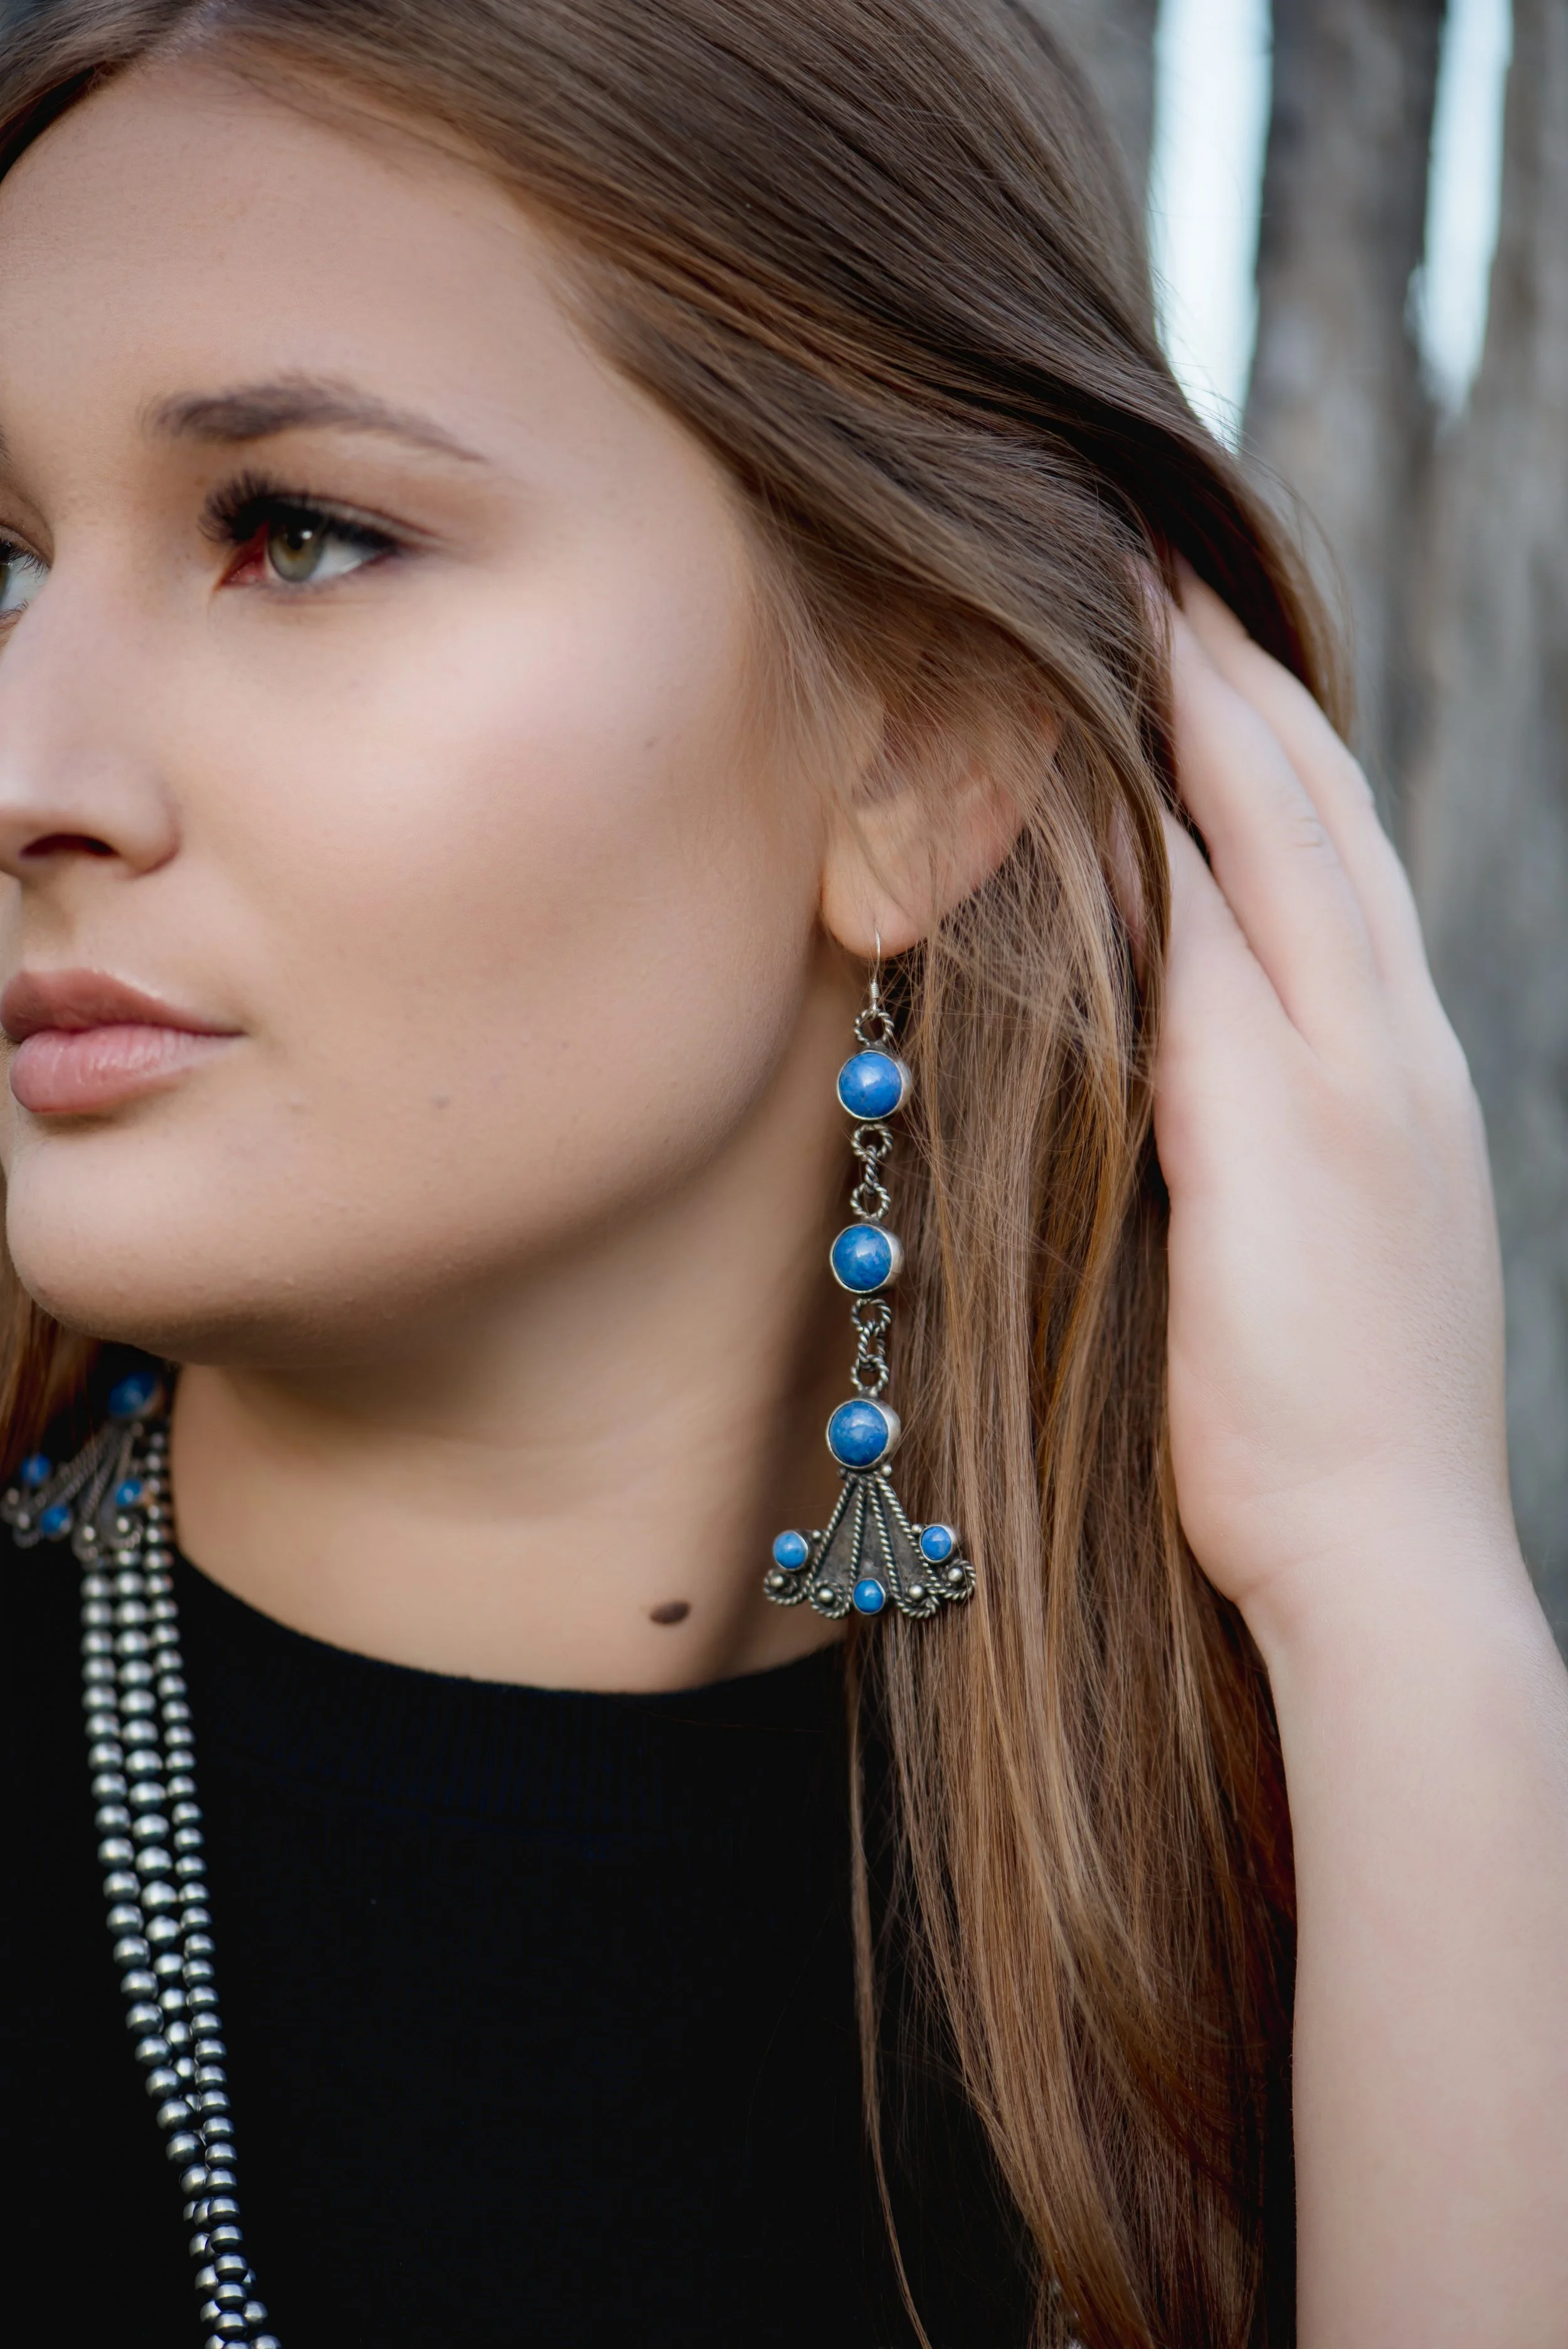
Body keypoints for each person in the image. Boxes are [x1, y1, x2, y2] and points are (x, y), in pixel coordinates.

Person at [1, 3, 1564, 2345]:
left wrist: (1398, 1609)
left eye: (296, 532)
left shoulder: (1344, 1920)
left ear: (924, 753)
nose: (28, 760)